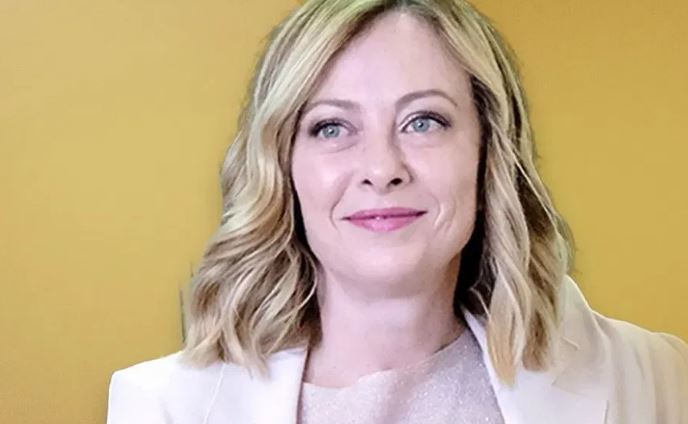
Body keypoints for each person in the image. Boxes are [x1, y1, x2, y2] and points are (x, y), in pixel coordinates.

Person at [106, 0, 688, 423]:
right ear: (282, 166)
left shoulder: (659, 382)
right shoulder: (162, 406)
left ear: (488, 152)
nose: (381, 168)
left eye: (423, 121)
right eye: (332, 127)